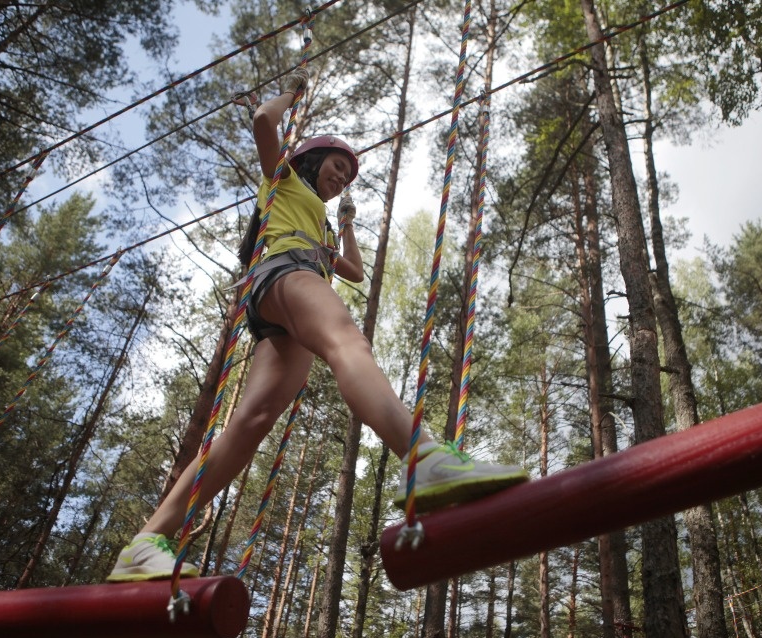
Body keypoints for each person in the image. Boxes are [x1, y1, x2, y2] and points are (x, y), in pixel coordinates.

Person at [106, 69, 528, 582]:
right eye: (336, 167)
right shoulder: (281, 178)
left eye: (347, 176)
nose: (340, 178)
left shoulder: (320, 222)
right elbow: (264, 118)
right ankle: (423, 456)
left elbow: (352, 270)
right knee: (346, 340)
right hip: (285, 275)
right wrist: (295, 93)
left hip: (281, 304)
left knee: (252, 421)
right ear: (311, 160)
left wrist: (346, 223)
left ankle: (146, 540)